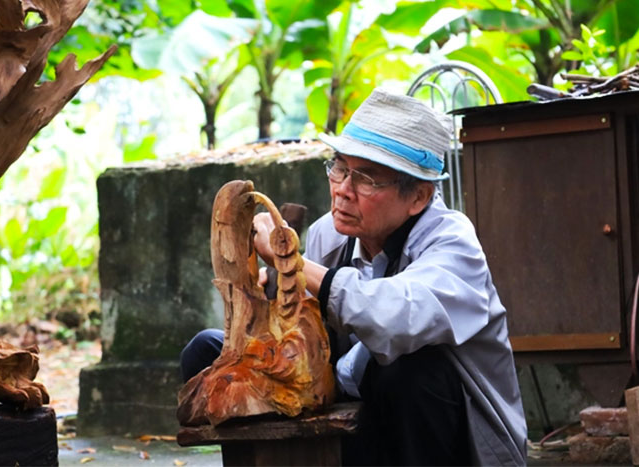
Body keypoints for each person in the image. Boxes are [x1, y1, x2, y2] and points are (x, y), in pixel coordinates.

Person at [180, 87, 527, 466]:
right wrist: (276, 297)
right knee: (210, 352)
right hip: (360, 414)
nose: (343, 190)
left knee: (410, 371)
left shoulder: (453, 243)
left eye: (367, 179)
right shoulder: (330, 233)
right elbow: (313, 328)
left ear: (418, 197)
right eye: (340, 168)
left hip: (442, 439)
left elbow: (395, 319)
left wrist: (292, 260)